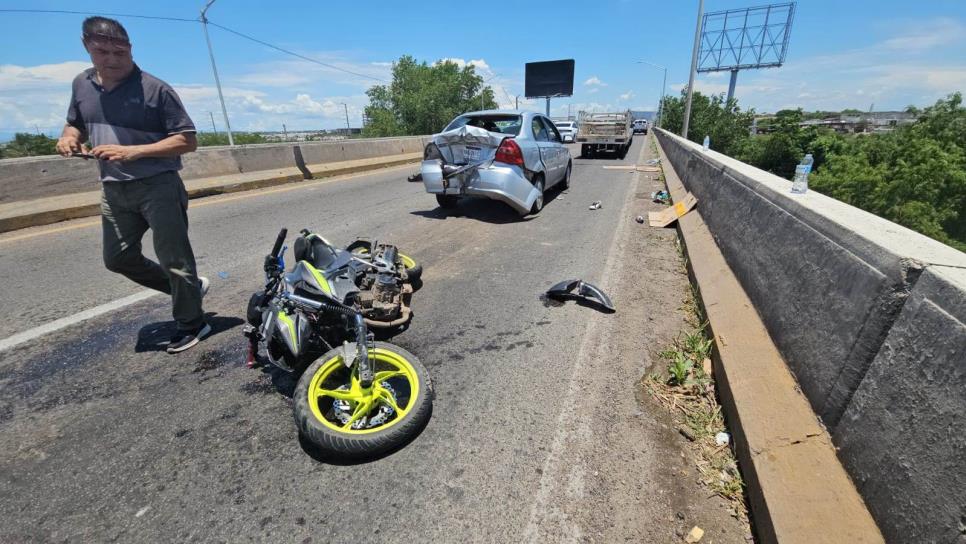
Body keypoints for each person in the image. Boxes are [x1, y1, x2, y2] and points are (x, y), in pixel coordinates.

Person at [56, 16, 210, 354]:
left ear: (130, 49)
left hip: (157, 185)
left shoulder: (155, 89)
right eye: (102, 51)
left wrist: (133, 151)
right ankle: (190, 290)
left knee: (174, 258)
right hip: (113, 188)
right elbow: (74, 124)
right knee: (118, 258)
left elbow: (186, 140)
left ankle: (192, 321)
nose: (111, 59)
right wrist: (68, 138)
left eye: (119, 52)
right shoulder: (81, 84)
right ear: (87, 48)